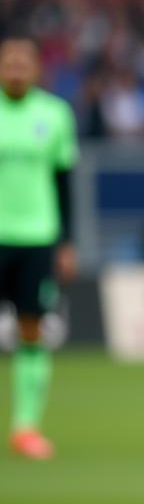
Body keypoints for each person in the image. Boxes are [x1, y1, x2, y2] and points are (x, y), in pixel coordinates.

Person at [0, 36, 78, 460]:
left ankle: (26, 427)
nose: (14, 67)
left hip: (37, 237)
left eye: (22, 61)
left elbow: (64, 184)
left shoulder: (54, 115)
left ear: (35, 68)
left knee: (31, 330)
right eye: (8, 60)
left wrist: (67, 242)